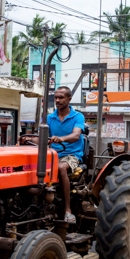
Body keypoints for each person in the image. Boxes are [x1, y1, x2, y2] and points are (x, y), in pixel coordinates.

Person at [47, 86, 85, 223]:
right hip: (52, 154)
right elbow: (42, 137)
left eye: (61, 97)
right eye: (56, 97)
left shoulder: (77, 116)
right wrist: (26, 139)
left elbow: (76, 135)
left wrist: (61, 138)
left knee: (61, 167)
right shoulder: (49, 118)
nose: (57, 100)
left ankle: (68, 210)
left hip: (71, 154)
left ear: (69, 99)